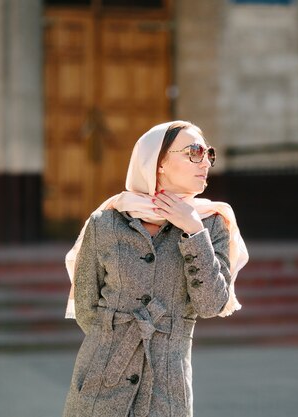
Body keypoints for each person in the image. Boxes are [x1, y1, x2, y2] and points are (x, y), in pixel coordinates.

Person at [62, 121, 249, 417]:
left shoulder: (213, 223)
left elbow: (212, 304)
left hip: (167, 389)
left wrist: (193, 231)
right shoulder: (105, 222)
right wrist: (114, 339)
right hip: (101, 382)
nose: (206, 163)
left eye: (208, 154)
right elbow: (87, 308)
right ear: (158, 162)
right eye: (195, 152)